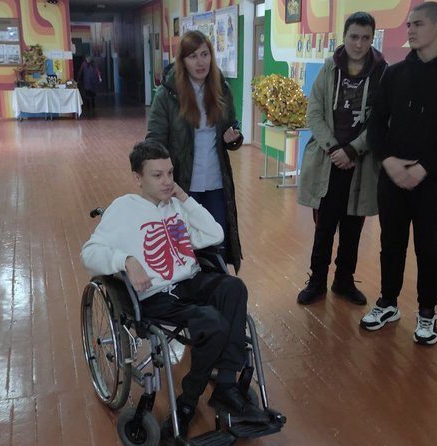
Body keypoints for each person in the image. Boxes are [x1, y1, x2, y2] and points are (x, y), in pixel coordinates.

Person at [80, 141, 266, 441]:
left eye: (170, 173)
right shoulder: (124, 209)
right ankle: (189, 401)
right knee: (213, 323)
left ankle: (226, 386)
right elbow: (89, 253)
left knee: (234, 287)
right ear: (137, 178)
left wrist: (184, 198)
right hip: (155, 295)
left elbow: (215, 234)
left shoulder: (177, 206)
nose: (167, 181)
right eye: (157, 175)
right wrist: (125, 260)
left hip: (189, 281)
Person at [360, 2, 437, 345]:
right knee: (391, 243)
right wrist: (388, 161)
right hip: (393, 177)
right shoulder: (394, 74)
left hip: (434, 180)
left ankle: (427, 312)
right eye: (409, 24)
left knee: (429, 249)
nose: (410, 30)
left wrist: (424, 167)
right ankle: (388, 303)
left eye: (418, 24)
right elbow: (376, 124)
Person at [296, 12, 387, 306]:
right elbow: (314, 112)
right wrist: (335, 148)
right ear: (344, 37)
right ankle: (317, 281)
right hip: (329, 161)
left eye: (365, 38)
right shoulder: (329, 69)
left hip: (361, 163)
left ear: (372, 39)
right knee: (324, 227)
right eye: (353, 37)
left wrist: (353, 150)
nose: (359, 44)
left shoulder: (383, 74)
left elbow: (382, 120)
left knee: (352, 228)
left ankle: (344, 281)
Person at [145, 30, 244, 271]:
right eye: (193, 56)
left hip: (216, 183)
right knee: (184, 247)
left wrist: (233, 137)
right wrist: (160, 179)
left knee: (217, 242)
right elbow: (154, 141)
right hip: (182, 185)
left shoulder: (221, 89)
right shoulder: (167, 95)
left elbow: (232, 127)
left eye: (204, 54)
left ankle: (218, 290)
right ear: (183, 61)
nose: (200, 62)